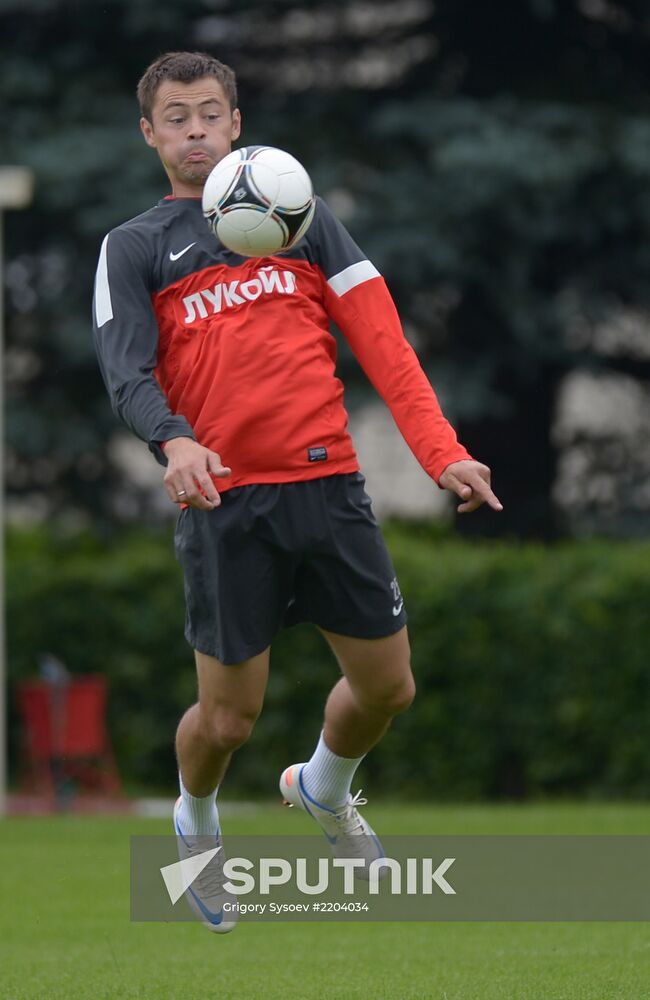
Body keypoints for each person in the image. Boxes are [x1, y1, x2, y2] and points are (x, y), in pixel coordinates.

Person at [93, 51, 502, 933]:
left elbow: (386, 346)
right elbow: (125, 374)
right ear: (151, 135)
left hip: (329, 489)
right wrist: (175, 441)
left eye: (210, 112)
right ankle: (195, 823)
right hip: (225, 505)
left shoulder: (306, 220)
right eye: (176, 117)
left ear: (237, 124)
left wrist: (443, 453)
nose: (195, 129)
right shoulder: (133, 248)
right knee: (228, 720)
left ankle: (322, 787)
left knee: (390, 689)